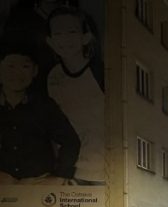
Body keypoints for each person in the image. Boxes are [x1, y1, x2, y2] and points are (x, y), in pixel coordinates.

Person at [0, 40, 80, 184]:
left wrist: (59, 175)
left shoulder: (45, 105)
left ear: (35, 71)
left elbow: (71, 142)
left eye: (25, 66)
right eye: (10, 66)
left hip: (37, 183)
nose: (17, 72)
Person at [46, 5, 104, 184]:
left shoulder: (101, 72)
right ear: (50, 40)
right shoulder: (54, 76)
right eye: (58, 33)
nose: (64, 39)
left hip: (103, 170)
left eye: (71, 32)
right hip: (72, 171)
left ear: (85, 37)